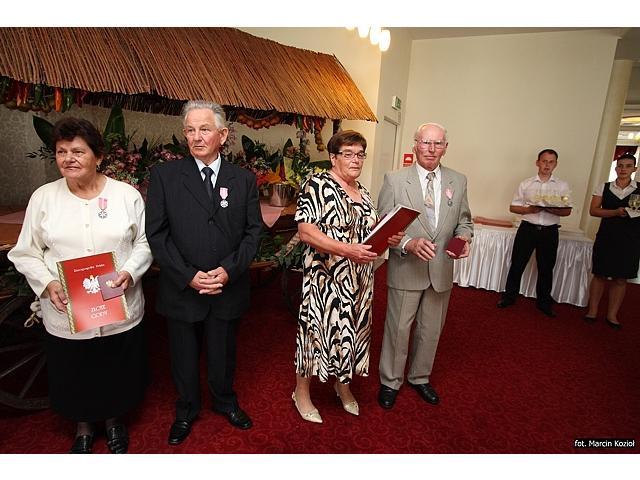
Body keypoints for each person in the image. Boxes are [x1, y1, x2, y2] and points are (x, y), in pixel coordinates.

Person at [8, 117, 152, 454]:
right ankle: (83, 425)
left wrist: (129, 272)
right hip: (66, 308)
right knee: (74, 367)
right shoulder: (44, 198)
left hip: (118, 303)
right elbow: (26, 251)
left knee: (116, 363)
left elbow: (144, 243)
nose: (68, 158)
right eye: (61, 151)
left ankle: (115, 421)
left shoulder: (126, 196)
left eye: (77, 151)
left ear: (98, 156)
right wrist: (47, 283)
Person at [145, 100, 262, 444]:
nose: (196, 137)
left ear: (222, 135)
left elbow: (253, 232)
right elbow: (157, 234)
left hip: (227, 285)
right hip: (183, 286)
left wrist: (228, 271)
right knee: (182, 354)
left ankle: (225, 401)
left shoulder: (243, 180)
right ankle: (186, 409)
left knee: (223, 351)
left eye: (205, 129)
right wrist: (188, 275)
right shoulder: (165, 176)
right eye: (190, 130)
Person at [292, 130, 403, 423]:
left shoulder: (363, 192)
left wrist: (388, 237)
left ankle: (342, 385)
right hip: (325, 279)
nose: (356, 160)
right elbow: (306, 231)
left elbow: (369, 237)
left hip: (360, 280)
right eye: (348, 154)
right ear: (333, 157)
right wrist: (346, 250)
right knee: (314, 333)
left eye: (360, 154)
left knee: (352, 332)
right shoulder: (317, 184)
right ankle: (301, 392)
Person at [376, 122, 472, 410]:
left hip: (441, 268)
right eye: (426, 142)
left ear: (445, 147)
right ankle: (391, 381)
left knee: (430, 330)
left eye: (438, 143)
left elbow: (464, 221)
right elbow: (383, 227)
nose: (431, 149)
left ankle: (420, 377)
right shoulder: (395, 180)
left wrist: (463, 238)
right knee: (398, 330)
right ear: (415, 145)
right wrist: (408, 243)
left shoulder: (458, 180)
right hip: (407, 267)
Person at [497, 149, 572, 317]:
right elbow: (513, 207)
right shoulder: (526, 184)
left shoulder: (562, 186)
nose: (547, 165)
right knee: (517, 264)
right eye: (544, 161)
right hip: (528, 229)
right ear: (537, 162)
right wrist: (529, 209)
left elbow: (567, 210)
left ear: (556, 164)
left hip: (550, 231)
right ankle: (509, 297)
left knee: (546, 267)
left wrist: (552, 209)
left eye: (551, 162)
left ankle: (544, 302)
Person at [584, 153, 639, 329]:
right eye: (620, 166)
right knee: (599, 274)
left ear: (634, 169)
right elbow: (593, 210)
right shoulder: (604, 187)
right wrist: (615, 212)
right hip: (606, 236)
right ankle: (592, 311)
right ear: (616, 168)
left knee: (621, 278)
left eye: (628, 166)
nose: (623, 169)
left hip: (630, 239)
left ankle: (612, 315)